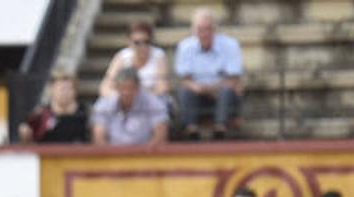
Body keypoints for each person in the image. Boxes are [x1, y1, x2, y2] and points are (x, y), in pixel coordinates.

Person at [175, 7, 243, 140]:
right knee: (185, 90)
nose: (205, 33)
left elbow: (234, 79)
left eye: (208, 29)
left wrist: (208, 88)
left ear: (215, 29)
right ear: (193, 30)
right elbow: (185, 79)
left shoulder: (231, 45)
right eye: (200, 29)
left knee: (228, 90)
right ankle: (191, 130)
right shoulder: (184, 46)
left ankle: (220, 130)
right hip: (198, 93)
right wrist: (198, 88)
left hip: (221, 93)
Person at [92, 67, 168, 146]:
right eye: (123, 88)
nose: (126, 92)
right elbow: (99, 139)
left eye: (131, 88)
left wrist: (143, 155)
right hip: (112, 155)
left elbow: (160, 137)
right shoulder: (103, 105)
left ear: (138, 87)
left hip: (146, 155)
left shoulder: (154, 103)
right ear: (116, 87)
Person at [98, 20, 170, 99]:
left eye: (146, 42)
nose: (142, 46)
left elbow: (162, 88)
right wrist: (122, 96)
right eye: (137, 42)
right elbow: (105, 86)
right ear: (129, 42)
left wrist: (138, 98)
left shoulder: (158, 55)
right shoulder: (122, 56)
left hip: (150, 101)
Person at [18, 70, 88, 144]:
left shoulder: (85, 113)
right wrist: (25, 135)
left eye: (68, 88)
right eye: (61, 88)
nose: (64, 92)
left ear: (75, 91)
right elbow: (27, 142)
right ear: (53, 90)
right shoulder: (40, 115)